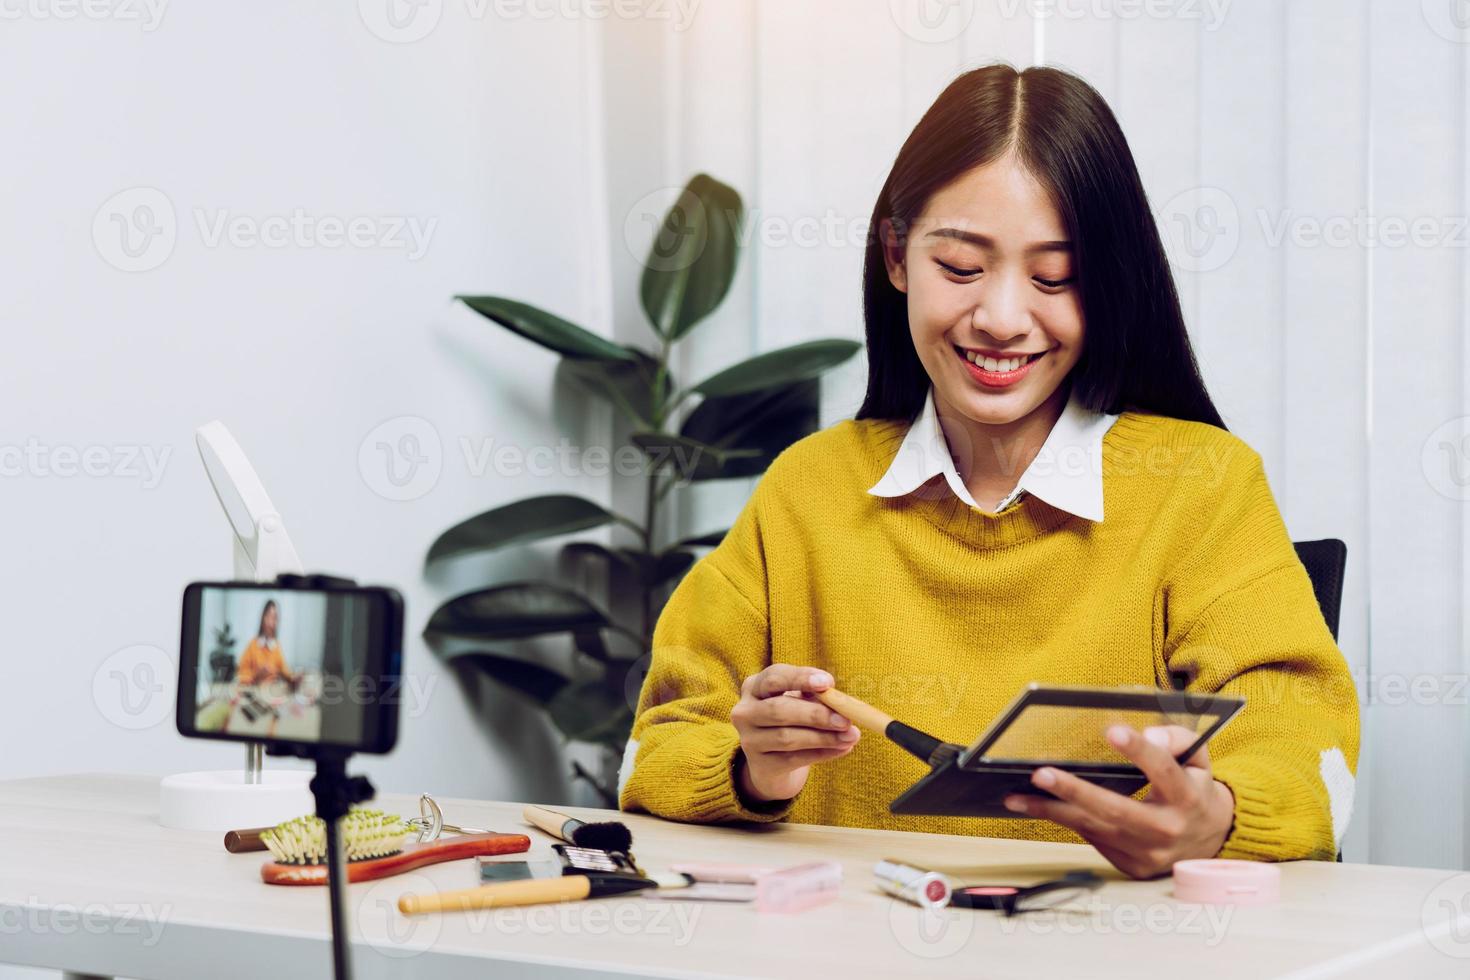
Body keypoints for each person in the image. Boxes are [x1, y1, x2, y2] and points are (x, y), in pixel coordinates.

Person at [618, 64, 1359, 879]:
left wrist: (1212, 818)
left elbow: (1308, 750)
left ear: (1107, 284)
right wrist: (751, 772)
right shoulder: (808, 489)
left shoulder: (1200, 485)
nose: (1003, 320)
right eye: (962, 268)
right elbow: (655, 748)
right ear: (897, 255)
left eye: (1056, 277)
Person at [235, 599, 297, 687]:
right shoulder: (252, 645)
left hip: (272, 694)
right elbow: (241, 675)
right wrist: (257, 675)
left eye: (275, 618)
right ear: (262, 618)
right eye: (268, 616)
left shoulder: (276, 646)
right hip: (254, 693)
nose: (271, 623)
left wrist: (293, 678)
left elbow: (285, 671)